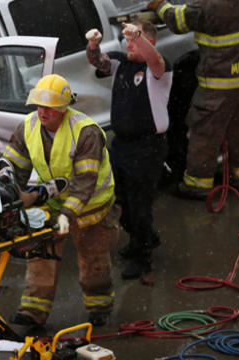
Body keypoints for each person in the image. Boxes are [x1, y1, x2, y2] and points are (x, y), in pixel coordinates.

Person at [0, 74, 120, 333]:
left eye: (50, 107)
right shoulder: (28, 126)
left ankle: (99, 307)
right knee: (40, 255)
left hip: (91, 209)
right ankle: (33, 311)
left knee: (93, 260)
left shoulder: (85, 132)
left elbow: (85, 182)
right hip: (53, 204)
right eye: (39, 106)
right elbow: (15, 166)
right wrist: (8, 190)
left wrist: (68, 214)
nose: (43, 112)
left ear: (64, 108)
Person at [147, 0, 239, 198]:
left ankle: (197, 185)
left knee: (205, 132)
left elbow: (178, 21)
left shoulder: (209, 5)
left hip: (221, 81)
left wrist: (159, 5)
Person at [85, 20, 172, 279]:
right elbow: (97, 61)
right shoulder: (122, 63)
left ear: (150, 41)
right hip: (121, 145)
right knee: (118, 200)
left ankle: (143, 258)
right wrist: (93, 44)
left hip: (148, 147)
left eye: (136, 39)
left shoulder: (158, 69)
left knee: (140, 205)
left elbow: (156, 61)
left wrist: (140, 37)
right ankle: (143, 238)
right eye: (129, 39)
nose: (130, 43)